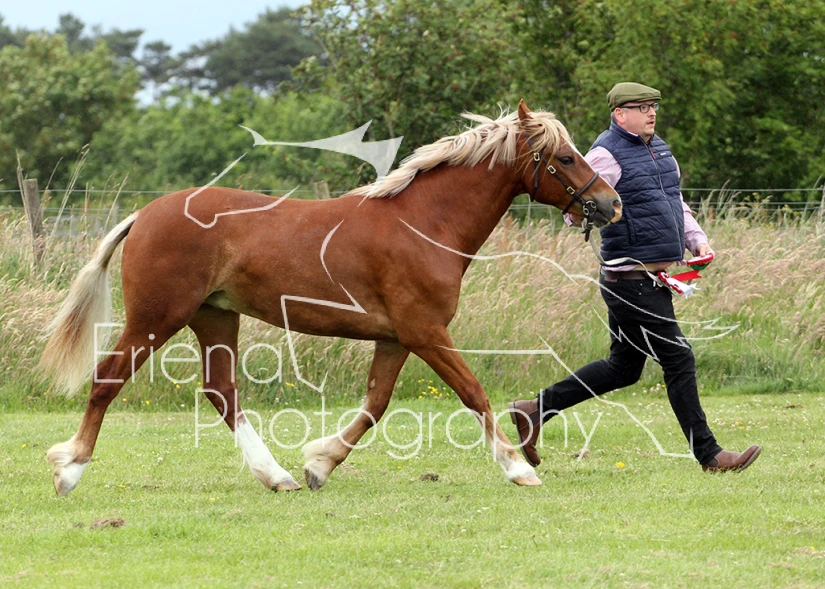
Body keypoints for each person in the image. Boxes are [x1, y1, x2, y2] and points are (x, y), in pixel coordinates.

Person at [509, 82, 761, 473]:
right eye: (642, 107)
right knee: (678, 358)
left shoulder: (660, 150)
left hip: (651, 277)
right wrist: (583, 215)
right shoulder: (605, 154)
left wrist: (696, 238)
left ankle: (535, 409)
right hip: (630, 280)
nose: (651, 112)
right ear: (619, 114)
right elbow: (575, 206)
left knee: (623, 368)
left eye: (653, 106)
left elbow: (674, 202)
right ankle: (710, 455)